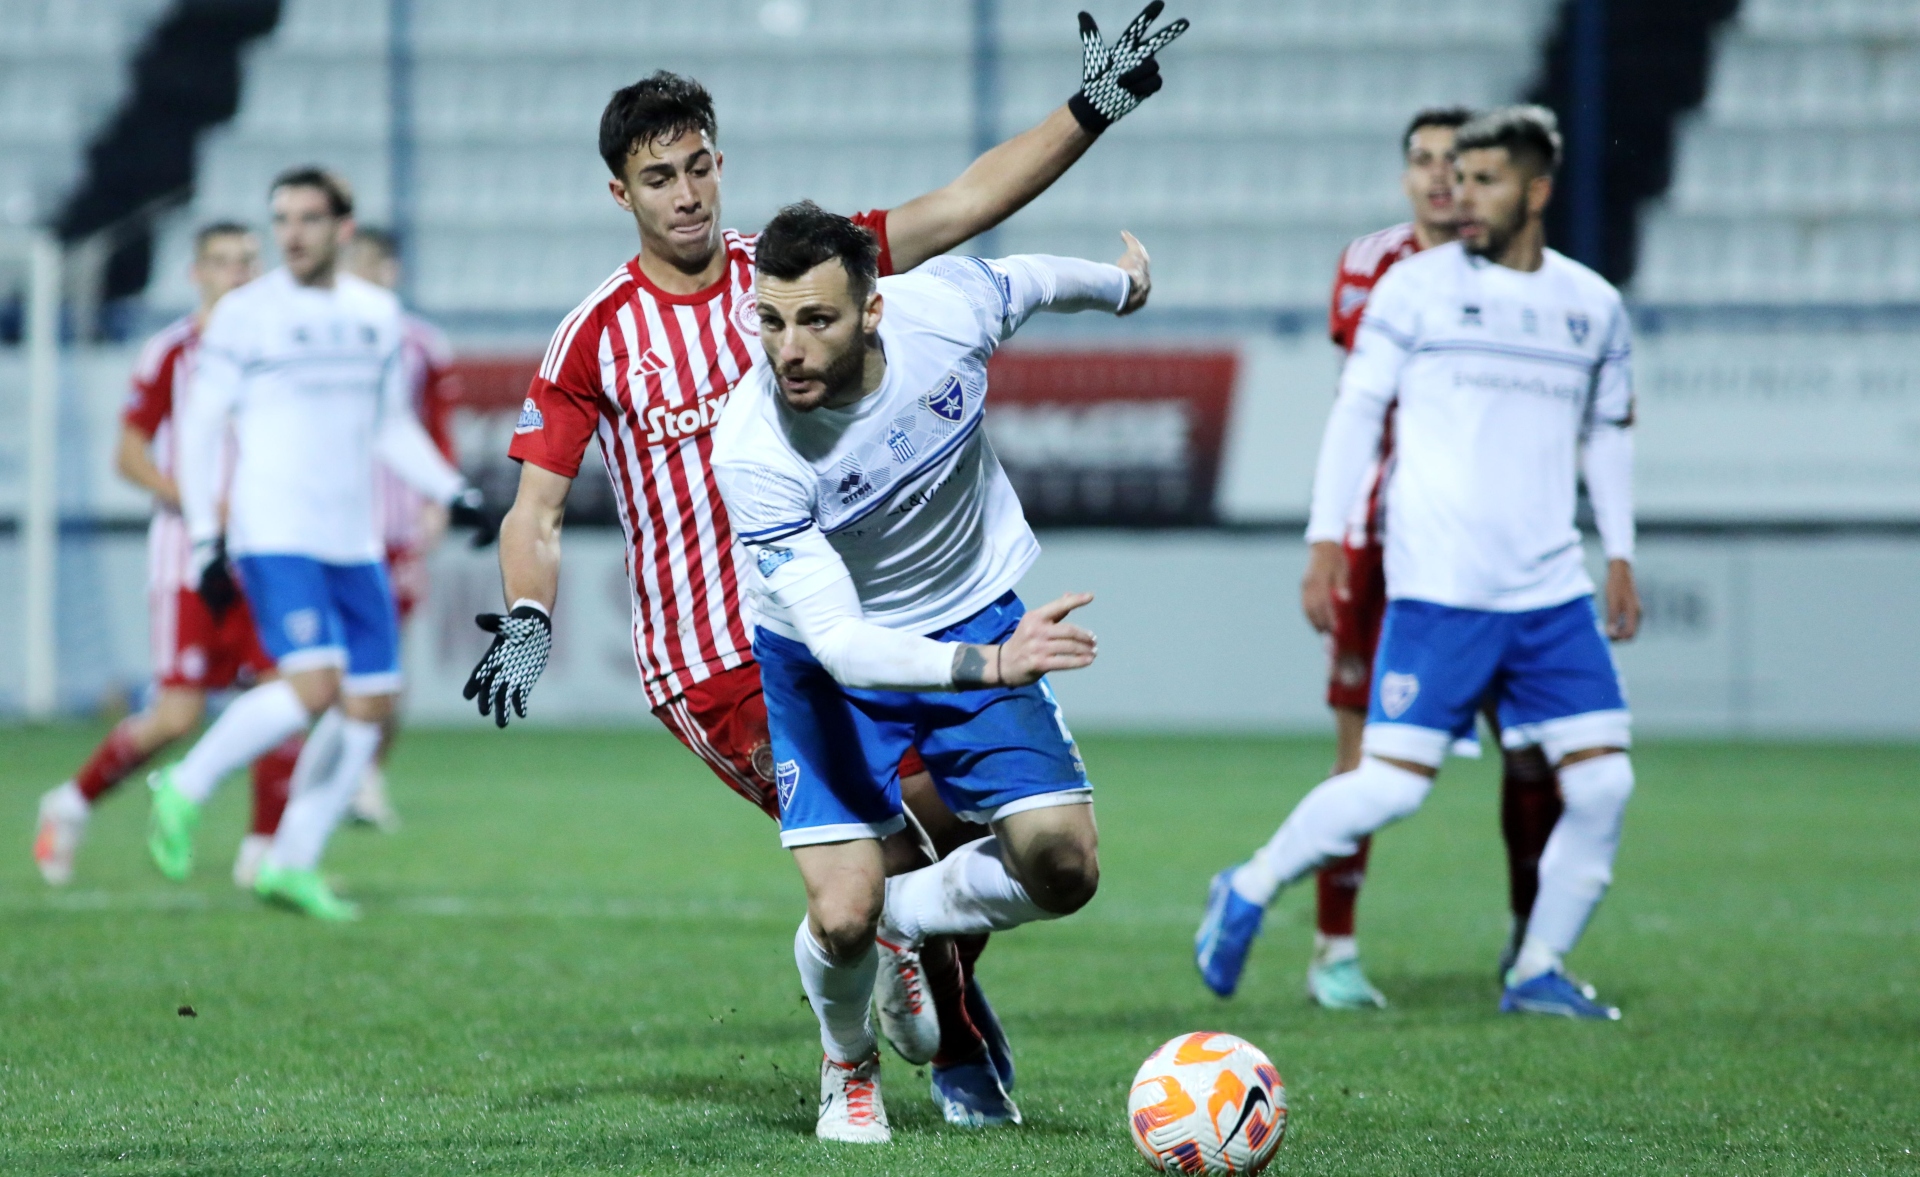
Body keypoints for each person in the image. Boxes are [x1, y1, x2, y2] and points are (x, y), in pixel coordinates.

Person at [464, 3, 1187, 1128]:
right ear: (621, 194)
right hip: (722, 657)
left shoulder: (800, 272)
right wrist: (526, 616)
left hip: (858, 614)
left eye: (699, 166)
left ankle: (934, 1010)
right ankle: (917, 1057)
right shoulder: (596, 337)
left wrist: (1090, 108)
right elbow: (538, 511)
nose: (687, 194)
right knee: (884, 860)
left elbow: (963, 206)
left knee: (956, 840)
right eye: (658, 178)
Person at [710, 202, 1150, 1142]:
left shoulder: (942, 310)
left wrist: (1120, 287)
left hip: (969, 608)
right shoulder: (753, 447)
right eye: (770, 321)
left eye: (816, 319)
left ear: (873, 310)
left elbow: (1031, 279)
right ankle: (849, 1069)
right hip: (826, 663)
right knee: (839, 917)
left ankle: (907, 913)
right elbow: (841, 643)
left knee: (1064, 868)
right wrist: (992, 664)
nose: (789, 349)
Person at [1195, 106, 1641, 1020]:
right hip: (1441, 590)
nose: (1461, 195)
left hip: (1551, 590)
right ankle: (1249, 884)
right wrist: (1326, 535)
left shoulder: (1592, 304)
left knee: (1604, 780)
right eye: (1455, 177)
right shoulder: (1413, 289)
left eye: (1484, 180)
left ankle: (1536, 967)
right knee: (1391, 784)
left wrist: (1622, 550)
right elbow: (1357, 412)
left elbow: (1607, 431)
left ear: (1537, 192)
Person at [145, 167, 494, 920]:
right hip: (275, 531)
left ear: (342, 228)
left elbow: (390, 425)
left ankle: (291, 862)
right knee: (314, 686)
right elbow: (200, 431)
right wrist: (206, 538)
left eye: (308, 218)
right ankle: (184, 784)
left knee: (372, 701)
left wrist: (451, 491)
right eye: (282, 219)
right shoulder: (246, 314)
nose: (292, 233)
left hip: (352, 537)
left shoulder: (376, 314)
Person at [1306, 106, 1569, 1009]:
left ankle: (1531, 941)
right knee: (1360, 750)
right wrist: (1329, 538)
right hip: (1386, 539)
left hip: (1498, 547)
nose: (1437, 177)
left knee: (1530, 748)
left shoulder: (1519, 273)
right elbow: (1359, 404)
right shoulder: (1371, 264)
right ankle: (1333, 949)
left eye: (1454, 163)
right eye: (1421, 160)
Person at [32, 223, 299, 889]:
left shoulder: (281, 346)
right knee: (177, 716)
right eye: (222, 262)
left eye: (247, 262)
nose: (237, 274)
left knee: (286, 695)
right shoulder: (171, 352)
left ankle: (262, 852)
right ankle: (70, 802)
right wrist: (199, 501)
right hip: (188, 558)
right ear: (196, 273)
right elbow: (128, 455)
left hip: (266, 551)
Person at [341, 225, 464, 832]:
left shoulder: (422, 345)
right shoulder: (317, 336)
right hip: (328, 521)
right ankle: (320, 779)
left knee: (386, 663)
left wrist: (439, 502)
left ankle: (365, 775)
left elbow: (437, 429)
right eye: (359, 263)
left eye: (380, 264)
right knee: (320, 666)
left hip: (393, 527)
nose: (370, 275)